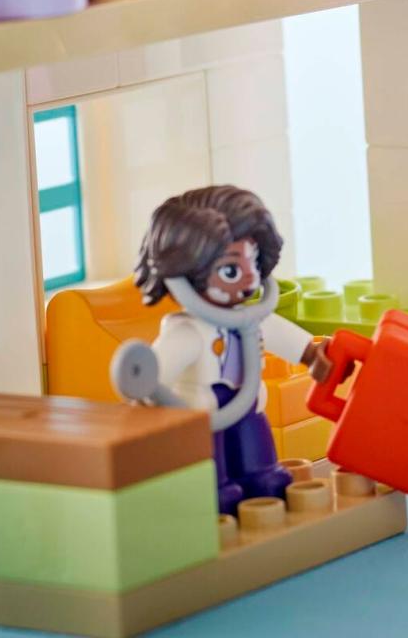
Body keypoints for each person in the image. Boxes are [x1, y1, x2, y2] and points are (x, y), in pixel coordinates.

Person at [115, 186, 328, 511]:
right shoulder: (187, 332)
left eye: (253, 262)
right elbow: (155, 373)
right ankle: (215, 490)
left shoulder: (250, 318)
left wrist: (311, 354)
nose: (249, 279)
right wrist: (144, 390)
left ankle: (261, 476)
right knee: (210, 461)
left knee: (255, 447)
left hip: (248, 404)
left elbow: (278, 332)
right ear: (184, 274)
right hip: (205, 411)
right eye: (231, 270)